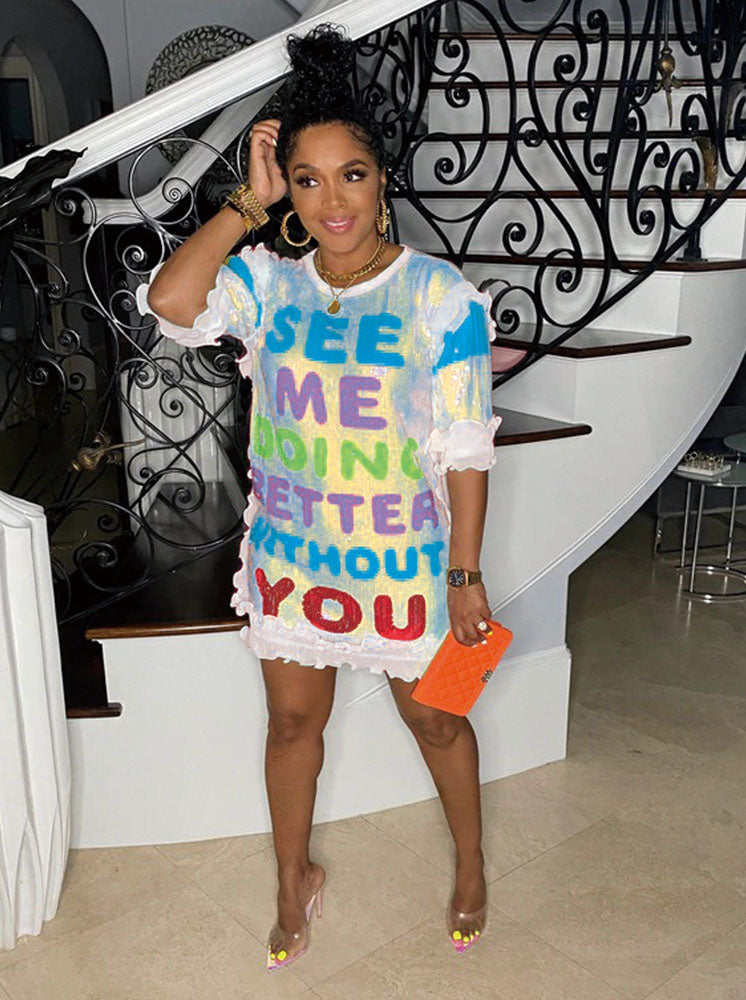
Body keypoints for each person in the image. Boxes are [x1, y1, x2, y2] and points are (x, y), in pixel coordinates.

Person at [139, 23, 500, 973]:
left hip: (410, 565)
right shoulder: (265, 284)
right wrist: (243, 206)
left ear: (382, 180)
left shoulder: (440, 298)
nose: (332, 201)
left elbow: (466, 446)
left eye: (352, 175)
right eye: (306, 179)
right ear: (286, 191)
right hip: (295, 561)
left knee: (438, 719)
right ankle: (292, 879)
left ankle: (471, 865)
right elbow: (173, 303)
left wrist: (465, 572)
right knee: (294, 726)